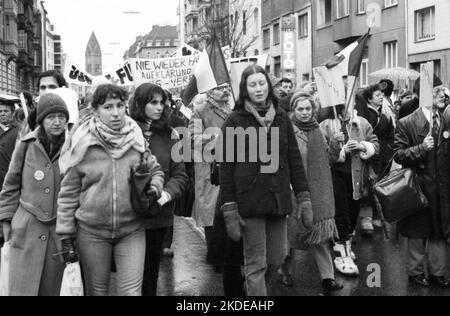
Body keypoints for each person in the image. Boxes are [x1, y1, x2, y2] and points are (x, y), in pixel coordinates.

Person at [56, 84, 165, 296]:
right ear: (95, 110)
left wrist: (154, 188)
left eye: (120, 105)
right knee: (98, 292)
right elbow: (68, 194)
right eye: (108, 107)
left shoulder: (136, 139)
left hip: (131, 230)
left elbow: (157, 171)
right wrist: (66, 235)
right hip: (91, 232)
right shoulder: (82, 143)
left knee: (132, 293)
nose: (115, 113)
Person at [220, 65, 312, 296]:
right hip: (248, 202)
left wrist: (304, 197)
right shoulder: (234, 120)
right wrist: (229, 208)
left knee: (277, 258)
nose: (258, 89)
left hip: (278, 200)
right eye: (252, 85)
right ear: (245, 89)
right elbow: (226, 168)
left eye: (261, 83)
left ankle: (251, 288)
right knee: (256, 263)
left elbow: (294, 160)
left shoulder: (281, 117)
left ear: (268, 86)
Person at [0, 93, 70, 296]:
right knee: (22, 288)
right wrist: (5, 220)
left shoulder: (73, 146)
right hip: (26, 227)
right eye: (50, 117)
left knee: (52, 288)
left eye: (61, 117)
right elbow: (11, 184)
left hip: (58, 229)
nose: (57, 122)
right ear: (41, 120)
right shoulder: (25, 145)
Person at [278, 92, 342, 295]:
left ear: (313, 109)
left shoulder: (318, 129)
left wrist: (335, 144)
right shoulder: (288, 130)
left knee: (321, 236)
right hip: (294, 191)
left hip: (319, 192)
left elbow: (329, 160)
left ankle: (328, 278)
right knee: (290, 236)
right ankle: (284, 272)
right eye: (300, 109)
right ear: (293, 110)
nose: (305, 113)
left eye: (308, 108)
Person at [131, 83, 188, 296]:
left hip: (158, 215)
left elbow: (181, 176)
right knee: (130, 278)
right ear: (139, 103)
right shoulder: (126, 130)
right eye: (152, 102)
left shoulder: (170, 134)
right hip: (130, 216)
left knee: (150, 277)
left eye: (161, 103)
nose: (159, 107)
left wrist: (165, 195)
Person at [394, 86, 450, 288]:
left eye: (442, 91)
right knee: (417, 232)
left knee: (440, 230)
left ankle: (438, 272)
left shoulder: (446, 119)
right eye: (436, 92)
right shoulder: (406, 122)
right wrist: (420, 148)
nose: (442, 95)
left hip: (442, 187)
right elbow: (398, 154)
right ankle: (416, 272)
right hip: (418, 186)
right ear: (424, 95)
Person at [320, 105, 379, 277]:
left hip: (356, 178)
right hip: (334, 178)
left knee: (353, 214)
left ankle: (346, 245)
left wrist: (362, 146)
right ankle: (341, 256)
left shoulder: (361, 122)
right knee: (341, 216)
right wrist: (341, 150)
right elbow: (321, 154)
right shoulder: (325, 125)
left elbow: (375, 144)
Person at [189, 84, 232, 265]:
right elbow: (192, 138)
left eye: (227, 87)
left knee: (229, 209)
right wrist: (216, 138)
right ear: (210, 91)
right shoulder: (200, 110)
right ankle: (215, 254)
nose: (225, 91)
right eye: (220, 88)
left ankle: (228, 254)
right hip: (210, 168)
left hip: (232, 166)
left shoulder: (233, 108)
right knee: (211, 212)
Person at [356, 84, 396, 234]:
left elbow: (391, 134)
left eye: (382, 95)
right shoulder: (366, 116)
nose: (381, 97)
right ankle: (366, 219)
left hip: (383, 156)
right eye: (378, 95)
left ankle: (376, 216)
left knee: (379, 184)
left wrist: (388, 148)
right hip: (370, 155)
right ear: (369, 99)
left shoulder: (384, 115)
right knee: (367, 186)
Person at [0, 100, 20, 190]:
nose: (2, 114)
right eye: (0, 111)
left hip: (12, 178)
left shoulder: (21, 130)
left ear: (12, 113)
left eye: (6, 111)